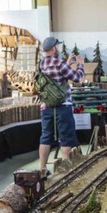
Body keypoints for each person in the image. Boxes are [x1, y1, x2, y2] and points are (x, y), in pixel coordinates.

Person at [38, 36, 84, 172]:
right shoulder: (59, 64)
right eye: (56, 46)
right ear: (53, 49)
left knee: (46, 136)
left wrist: (67, 63)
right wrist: (80, 64)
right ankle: (65, 169)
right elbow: (78, 78)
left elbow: (54, 75)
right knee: (66, 137)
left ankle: (42, 168)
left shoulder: (40, 65)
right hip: (63, 106)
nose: (57, 48)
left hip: (46, 106)